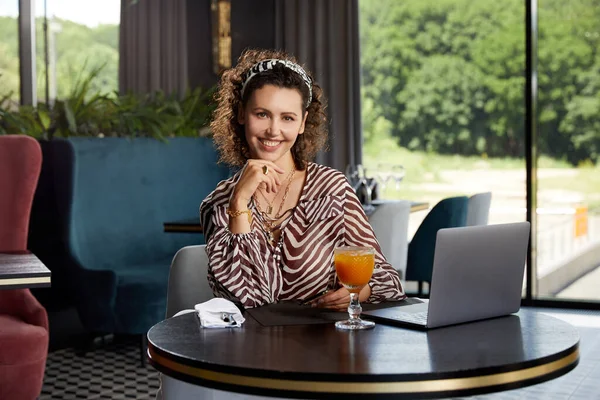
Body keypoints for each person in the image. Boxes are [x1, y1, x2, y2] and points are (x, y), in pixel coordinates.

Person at [200, 48, 406, 310]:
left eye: (287, 118)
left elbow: (389, 282)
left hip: (326, 344)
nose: (274, 130)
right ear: (241, 114)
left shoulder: (332, 190)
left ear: (302, 123)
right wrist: (239, 202)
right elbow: (246, 300)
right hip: (248, 346)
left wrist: (361, 291)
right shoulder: (219, 203)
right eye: (261, 114)